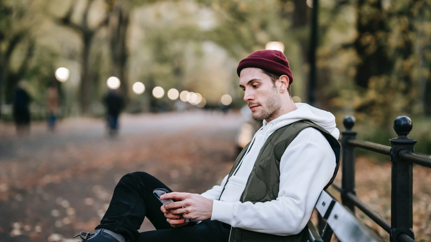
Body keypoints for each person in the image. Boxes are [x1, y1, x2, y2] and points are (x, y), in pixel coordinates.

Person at [75, 50, 340, 242]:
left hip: (238, 236)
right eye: (243, 87)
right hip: (223, 224)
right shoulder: (268, 130)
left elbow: (291, 217)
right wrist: (196, 203)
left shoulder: (308, 140)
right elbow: (231, 187)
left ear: (282, 83)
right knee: (136, 183)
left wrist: (213, 210)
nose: (247, 95)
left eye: (255, 85)